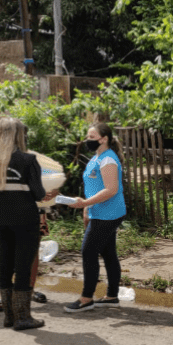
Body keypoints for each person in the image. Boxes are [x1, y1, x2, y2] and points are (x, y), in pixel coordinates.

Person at [0, 116, 49, 331]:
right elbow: (38, 193)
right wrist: (48, 193)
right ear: (21, 135)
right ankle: (23, 317)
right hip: (25, 220)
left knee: (5, 265)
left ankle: (9, 316)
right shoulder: (28, 160)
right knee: (23, 267)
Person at [65, 122, 126, 312]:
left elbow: (111, 189)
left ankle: (86, 298)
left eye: (91, 137)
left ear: (104, 139)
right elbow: (93, 186)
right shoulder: (96, 158)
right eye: (87, 137)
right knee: (108, 253)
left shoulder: (108, 159)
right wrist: (87, 210)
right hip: (98, 212)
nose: (87, 141)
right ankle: (112, 296)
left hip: (108, 214)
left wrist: (84, 203)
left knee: (88, 252)